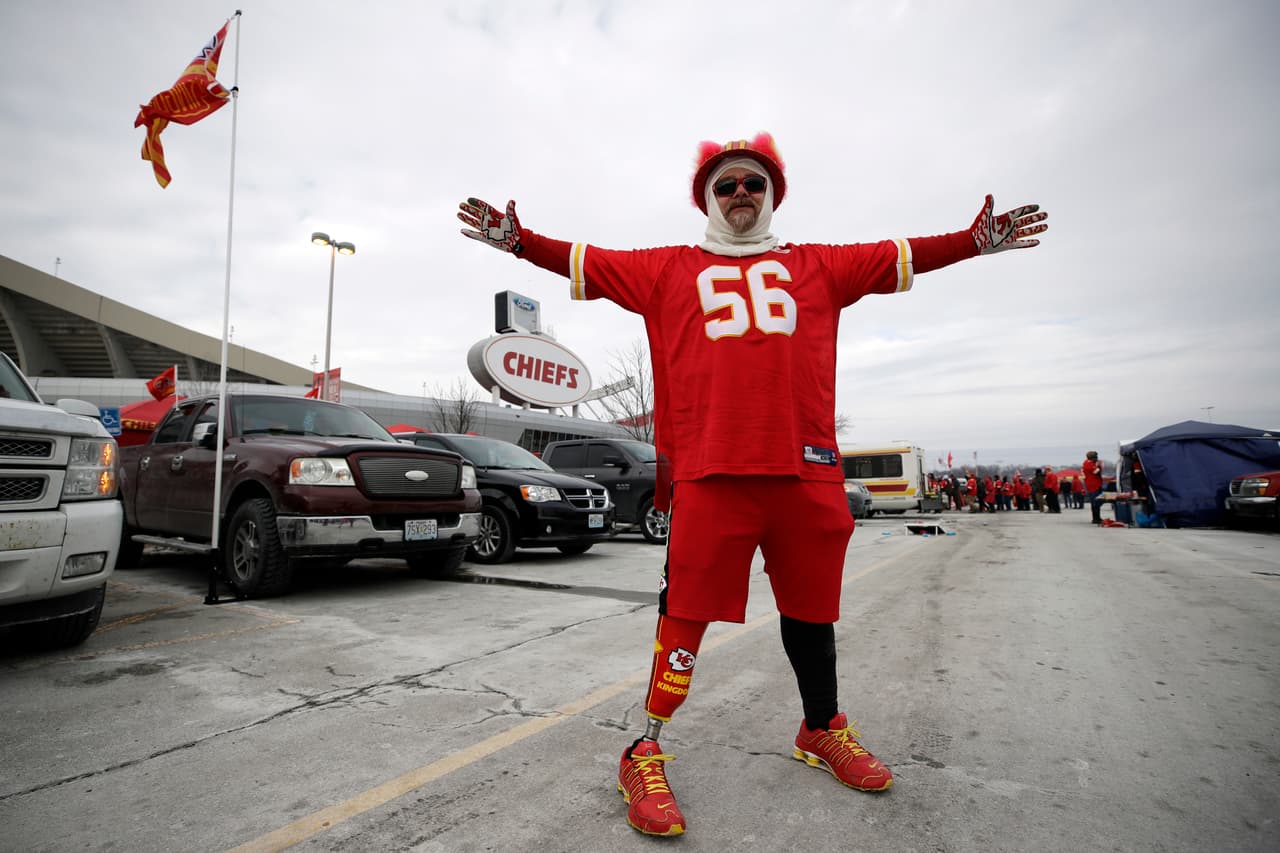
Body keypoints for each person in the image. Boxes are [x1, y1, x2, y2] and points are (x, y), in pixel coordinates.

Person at [457, 132, 1048, 838]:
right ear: (708, 196)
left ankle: (821, 726)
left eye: (754, 184)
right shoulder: (664, 269)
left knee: (812, 611)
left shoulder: (820, 266)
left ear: (772, 195)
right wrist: (520, 241)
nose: (741, 194)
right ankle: (643, 747)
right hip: (712, 472)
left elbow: (906, 253)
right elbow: (581, 258)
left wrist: (974, 241)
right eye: (728, 184)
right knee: (687, 614)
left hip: (805, 470)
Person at [1083, 450, 1105, 524]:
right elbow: (1096, 472)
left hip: (1095, 484)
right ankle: (1096, 518)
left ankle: (1097, 517)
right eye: (1096, 457)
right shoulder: (1088, 463)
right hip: (1093, 485)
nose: (1097, 458)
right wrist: (1100, 466)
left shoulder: (1089, 463)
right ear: (1092, 457)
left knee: (1097, 502)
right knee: (1095, 502)